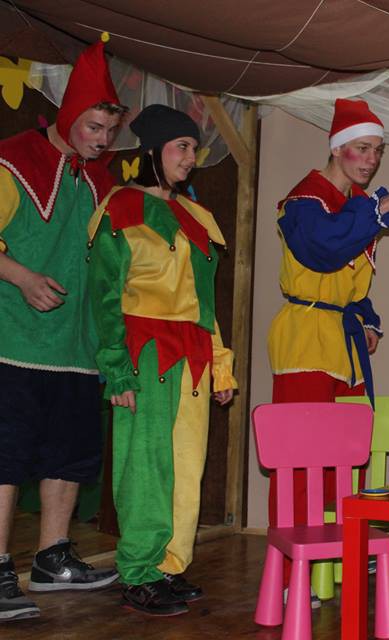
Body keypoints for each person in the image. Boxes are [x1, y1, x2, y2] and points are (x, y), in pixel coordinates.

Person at [265, 98, 389, 595]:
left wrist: (367, 317)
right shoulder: (305, 200)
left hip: (342, 342)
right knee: (299, 464)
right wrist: (383, 207)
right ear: (336, 148)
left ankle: (336, 560)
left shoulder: (354, 204)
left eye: (377, 150)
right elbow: (323, 250)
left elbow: (351, 279)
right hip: (305, 340)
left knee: (343, 462)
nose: (371, 159)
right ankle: (290, 576)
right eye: (362, 148)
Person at [87, 104, 237, 616]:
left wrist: (220, 365)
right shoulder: (120, 208)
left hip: (193, 356)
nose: (191, 158)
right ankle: (139, 570)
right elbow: (105, 296)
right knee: (145, 466)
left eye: (194, 149)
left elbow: (205, 304)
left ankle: (169, 564)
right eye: (182, 147)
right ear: (152, 150)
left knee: (186, 466)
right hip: (145, 353)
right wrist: (116, 369)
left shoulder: (196, 218)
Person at [0, 34, 123, 622]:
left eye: (110, 131)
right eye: (94, 127)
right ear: (69, 115)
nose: (102, 140)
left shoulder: (100, 180)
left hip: (77, 348)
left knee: (69, 457)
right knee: (5, 456)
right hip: (14, 342)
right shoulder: (12, 160)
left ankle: (53, 558)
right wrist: (21, 276)